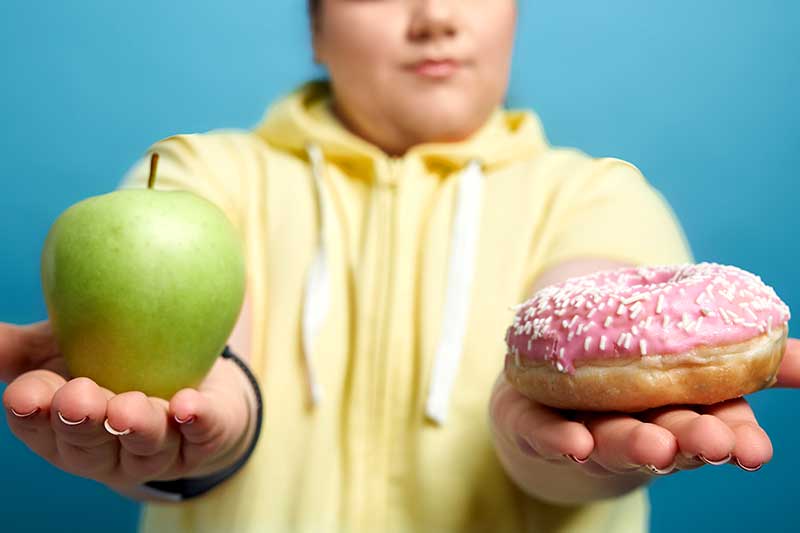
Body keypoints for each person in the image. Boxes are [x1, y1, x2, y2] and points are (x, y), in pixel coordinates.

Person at [2, 1, 799, 531]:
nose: (437, 18)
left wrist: (560, 441)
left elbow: (576, 371)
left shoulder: (601, 195)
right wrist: (201, 434)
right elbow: (206, 370)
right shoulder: (197, 178)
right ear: (313, 26)